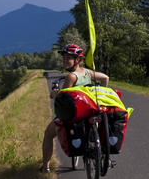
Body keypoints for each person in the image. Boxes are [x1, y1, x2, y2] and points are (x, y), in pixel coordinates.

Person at [40, 43, 109, 172]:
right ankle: (103, 154)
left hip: (76, 115)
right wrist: (102, 94)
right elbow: (105, 78)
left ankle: (45, 167)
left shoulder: (71, 77)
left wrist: (55, 93)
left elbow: (64, 100)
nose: (64, 60)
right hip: (90, 112)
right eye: (64, 58)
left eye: (68, 58)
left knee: (48, 134)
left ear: (77, 60)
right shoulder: (88, 73)